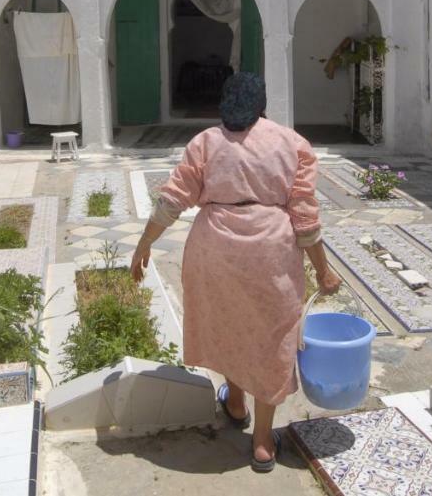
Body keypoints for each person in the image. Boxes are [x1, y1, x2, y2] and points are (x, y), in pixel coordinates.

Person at [130, 72, 342, 473]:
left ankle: (234, 402)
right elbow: (305, 218)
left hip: (215, 251)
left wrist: (145, 244)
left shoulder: (205, 143)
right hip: (270, 254)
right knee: (271, 338)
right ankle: (262, 442)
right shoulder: (292, 144)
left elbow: (172, 200)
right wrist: (324, 272)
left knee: (231, 325)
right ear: (263, 106)